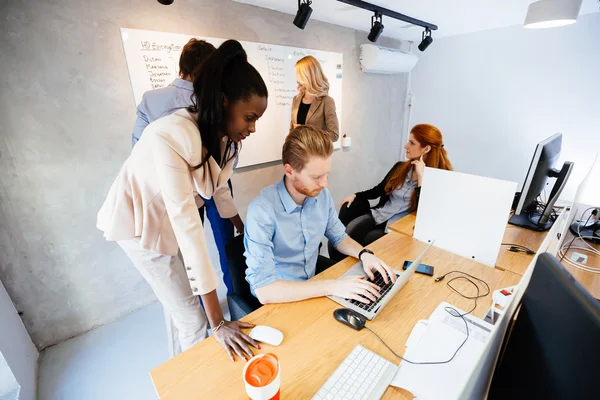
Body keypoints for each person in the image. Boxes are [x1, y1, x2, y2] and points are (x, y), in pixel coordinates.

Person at [97, 40, 268, 361]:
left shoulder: (225, 139)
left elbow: (218, 188)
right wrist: (218, 324)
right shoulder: (171, 134)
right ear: (222, 101)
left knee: (178, 305)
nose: (253, 127)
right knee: (193, 318)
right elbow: (189, 228)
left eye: (257, 119)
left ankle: (178, 363)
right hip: (138, 225)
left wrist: (241, 227)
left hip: (166, 220)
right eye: (249, 117)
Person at [131, 38, 242, 296]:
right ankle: (235, 299)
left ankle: (206, 305)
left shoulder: (151, 100)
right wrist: (238, 220)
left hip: (179, 187)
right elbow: (223, 152)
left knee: (192, 244)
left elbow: (137, 150)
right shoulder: (215, 99)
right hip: (214, 180)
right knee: (226, 246)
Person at [244, 125, 396, 305]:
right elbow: (265, 290)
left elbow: (339, 237)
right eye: (316, 177)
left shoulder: (321, 196)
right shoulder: (261, 211)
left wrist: (364, 254)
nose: (324, 184)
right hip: (280, 298)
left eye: (326, 175)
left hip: (313, 286)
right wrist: (332, 286)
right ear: (290, 171)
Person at [340, 124, 453, 246]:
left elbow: (425, 213)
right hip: (379, 215)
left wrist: (421, 177)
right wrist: (355, 195)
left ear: (426, 149)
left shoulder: (439, 179)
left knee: (368, 242)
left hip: (399, 227)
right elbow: (378, 190)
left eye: (412, 143)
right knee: (349, 234)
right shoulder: (400, 168)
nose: (406, 146)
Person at [290, 56, 339, 141]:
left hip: (315, 153)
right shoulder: (296, 99)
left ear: (308, 76)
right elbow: (292, 129)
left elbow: (334, 135)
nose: (297, 79)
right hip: (298, 152)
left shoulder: (326, 101)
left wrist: (307, 132)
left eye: (299, 75)